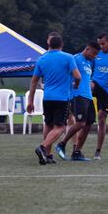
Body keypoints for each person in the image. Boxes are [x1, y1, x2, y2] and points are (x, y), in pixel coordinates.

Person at [27, 36, 81, 165]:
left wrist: (30, 100)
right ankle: (43, 147)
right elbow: (77, 76)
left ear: (49, 45)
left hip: (47, 98)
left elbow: (34, 81)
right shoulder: (68, 57)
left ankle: (48, 155)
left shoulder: (42, 59)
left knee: (49, 125)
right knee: (61, 127)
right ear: (61, 45)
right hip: (62, 98)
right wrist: (76, 85)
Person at [55, 42, 100, 161]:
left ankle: (77, 152)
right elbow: (65, 74)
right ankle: (62, 144)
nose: (95, 56)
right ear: (87, 49)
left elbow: (86, 78)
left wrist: (91, 84)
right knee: (80, 123)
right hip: (78, 95)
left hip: (89, 97)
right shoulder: (75, 59)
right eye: (94, 53)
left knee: (88, 124)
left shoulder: (89, 63)